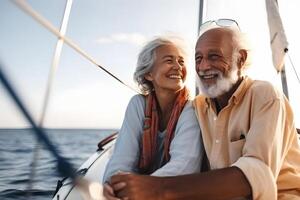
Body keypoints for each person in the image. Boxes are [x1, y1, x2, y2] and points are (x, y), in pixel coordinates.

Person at [109, 19, 300, 200]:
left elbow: (257, 172)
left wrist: (156, 188)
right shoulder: (199, 106)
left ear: (240, 59)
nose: (203, 66)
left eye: (214, 56)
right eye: (198, 58)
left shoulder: (265, 95)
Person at [102, 36, 203, 199]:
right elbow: (122, 158)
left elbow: (185, 166)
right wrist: (111, 183)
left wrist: (141, 188)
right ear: (149, 74)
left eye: (181, 61)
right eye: (169, 61)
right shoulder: (138, 104)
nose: (178, 67)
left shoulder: (191, 109)